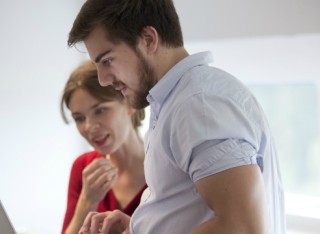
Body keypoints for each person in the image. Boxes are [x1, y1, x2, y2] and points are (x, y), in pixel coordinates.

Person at [67, 0, 286, 233]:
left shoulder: (199, 104)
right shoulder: (175, 102)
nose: (103, 80)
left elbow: (242, 227)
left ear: (149, 40)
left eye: (107, 60)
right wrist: (136, 228)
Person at [60, 60, 147, 234]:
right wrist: (87, 201)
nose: (89, 126)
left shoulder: (165, 166)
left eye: (100, 110)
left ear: (128, 103)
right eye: (79, 118)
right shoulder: (83, 167)